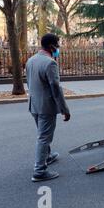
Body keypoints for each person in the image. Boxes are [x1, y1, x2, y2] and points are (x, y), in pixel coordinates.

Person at [26, 33, 71, 182]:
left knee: (42, 134)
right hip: (46, 106)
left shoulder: (31, 60)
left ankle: (48, 156)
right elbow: (55, 88)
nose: (58, 47)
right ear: (51, 46)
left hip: (34, 104)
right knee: (44, 137)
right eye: (57, 45)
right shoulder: (50, 63)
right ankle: (39, 171)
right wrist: (64, 109)